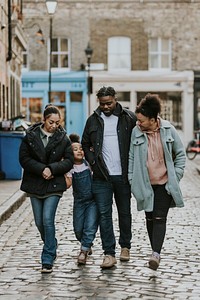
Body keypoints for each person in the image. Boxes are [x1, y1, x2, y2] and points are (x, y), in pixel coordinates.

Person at [128, 93, 186, 271]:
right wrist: (132, 180)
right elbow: (131, 157)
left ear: (153, 119)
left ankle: (155, 254)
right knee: (150, 218)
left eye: (142, 120)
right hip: (145, 184)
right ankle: (155, 250)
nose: (138, 123)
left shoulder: (169, 130)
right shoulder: (136, 132)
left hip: (164, 184)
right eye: (138, 120)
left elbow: (181, 155)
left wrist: (174, 177)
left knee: (160, 218)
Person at [81, 86, 137, 268]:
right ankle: (109, 253)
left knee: (124, 212)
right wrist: (93, 162)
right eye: (102, 103)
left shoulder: (129, 118)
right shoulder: (92, 121)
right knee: (104, 215)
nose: (106, 107)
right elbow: (85, 142)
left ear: (115, 99)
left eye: (109, 103)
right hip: (101, 176)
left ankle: (125, 246)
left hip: (123, 176)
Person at [19, 104, 74, 273]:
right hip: (35, 183)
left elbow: (69, 160)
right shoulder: (30, 136)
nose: (54, 126)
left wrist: (52, 168)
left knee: (48, 219)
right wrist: (41, 169)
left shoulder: (63, 138)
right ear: (43, 120)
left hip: (54, 184)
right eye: (51, 122)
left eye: (57, 122)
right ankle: (51, 243)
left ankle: (48, 257)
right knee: (39, 222)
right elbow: (24, 158)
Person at [65, 134, 98, 265]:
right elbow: (67, 185)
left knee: (90, 225)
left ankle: (83, 251)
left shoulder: (88, 165)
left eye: (81, 148)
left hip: (92, 201)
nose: (79, 151)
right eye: (75, 149)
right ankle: (86, 243)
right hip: (79, 202)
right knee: (78, 229)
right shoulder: (70, 169)